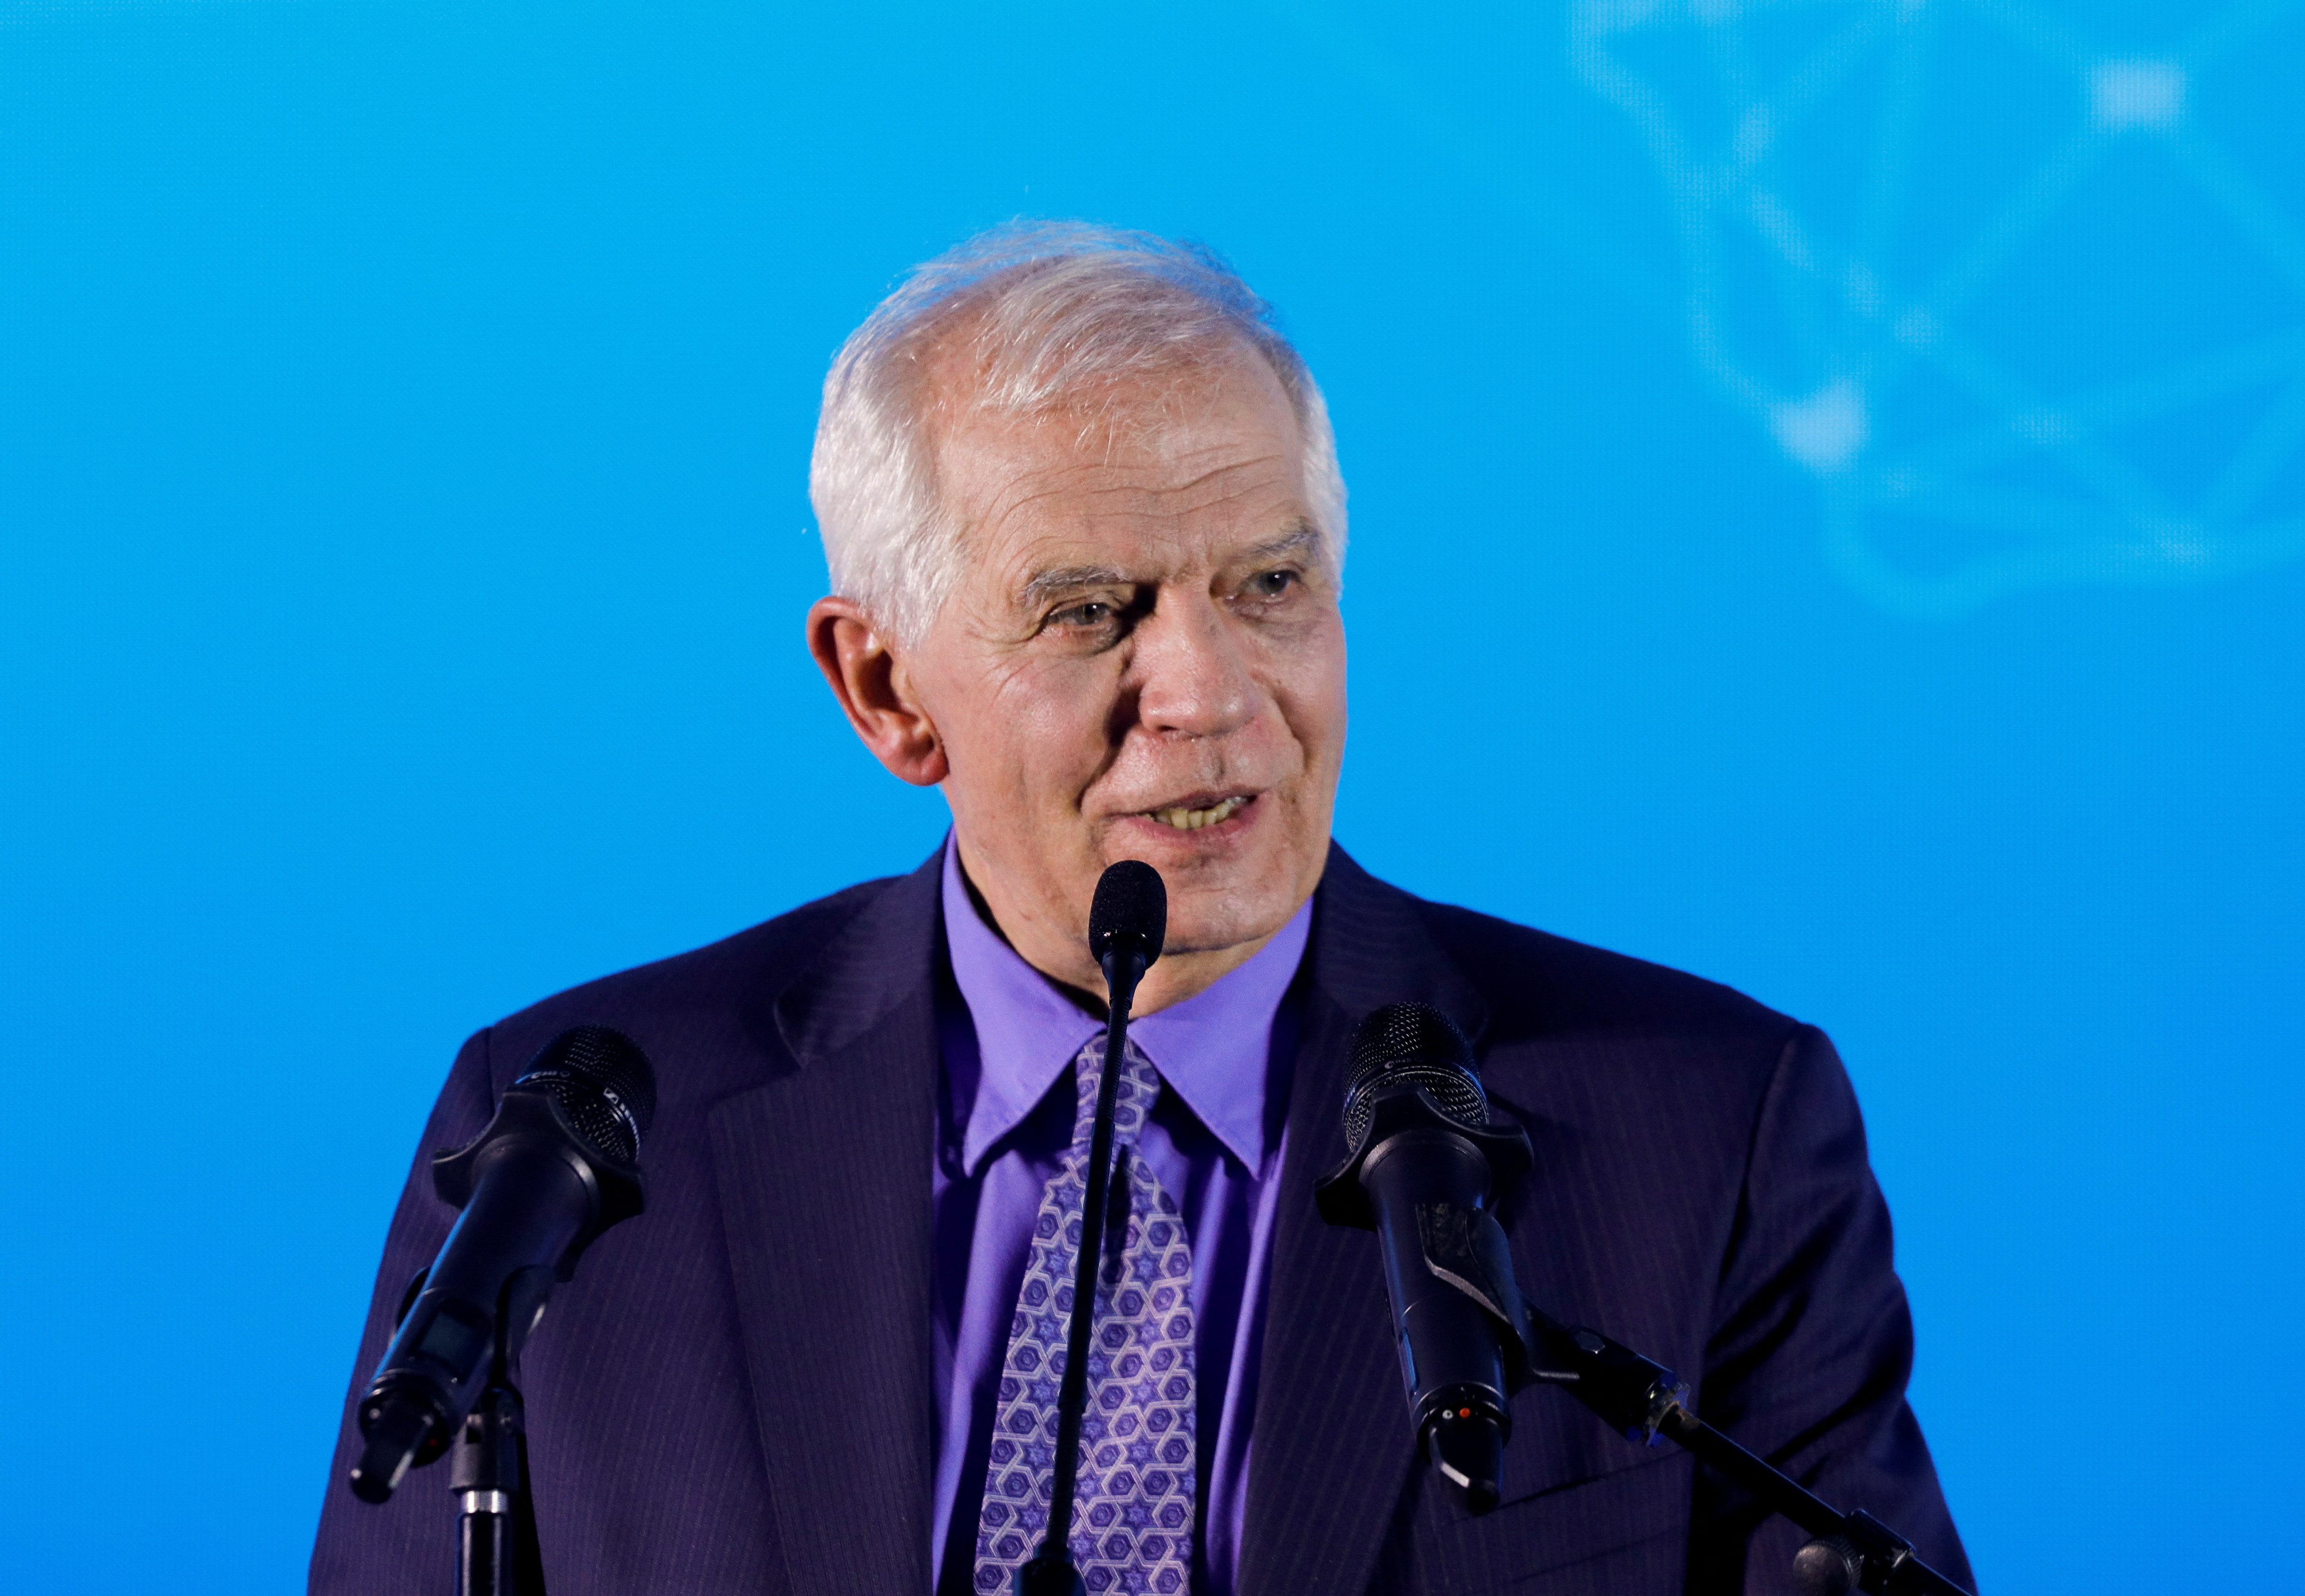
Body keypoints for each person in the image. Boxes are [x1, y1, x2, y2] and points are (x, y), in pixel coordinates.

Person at [309, 221, 1972, 1596]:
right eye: (1094, 609)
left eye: (1269, 584)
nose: (1209, 692)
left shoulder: (1711, 1126)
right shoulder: (577, 1150)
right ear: (885, 689)